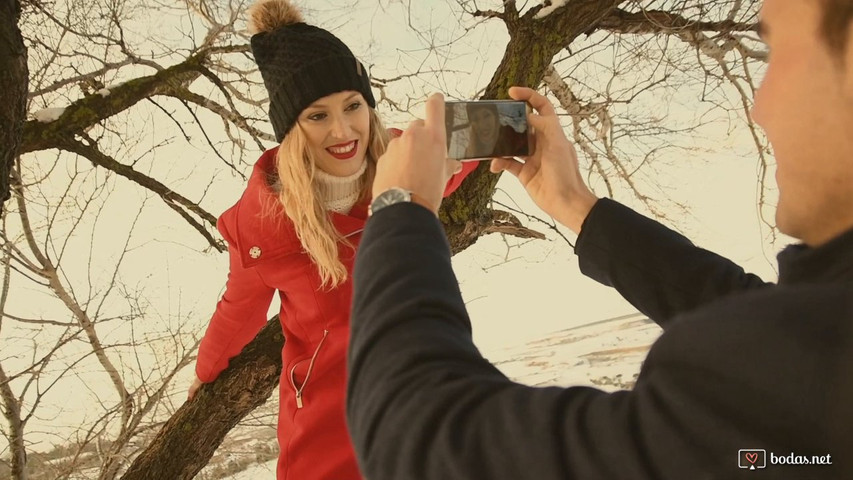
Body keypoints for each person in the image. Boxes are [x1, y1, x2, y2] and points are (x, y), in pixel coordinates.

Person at [346, 0, 853, 478]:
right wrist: (578, 207)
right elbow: (760, 326)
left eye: (778, 52)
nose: (759, 109)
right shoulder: (818, 348)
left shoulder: (810, 383)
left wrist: (399, 209)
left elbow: (419, 437)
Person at [186, 1, 475, 479]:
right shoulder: (261, 225)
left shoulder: (405, 161)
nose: (343, 131)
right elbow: (239, 308)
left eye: (353, 106)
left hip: (428, 395)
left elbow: (474, 140)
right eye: (317, 116)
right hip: (330, 418)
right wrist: (205, 371)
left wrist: (524, 121)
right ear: (291, 129)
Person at [464, 102, 528, 158]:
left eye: (487, 115)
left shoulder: (515, 139)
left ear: (496, 117)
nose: (482, 124)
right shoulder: (471, 152)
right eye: (475, 119)